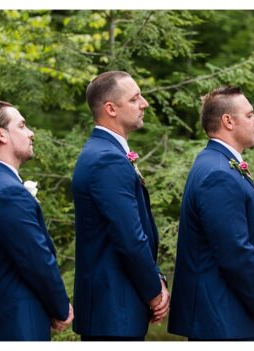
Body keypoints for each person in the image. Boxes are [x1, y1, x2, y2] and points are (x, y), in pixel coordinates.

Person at [168, 87, 254, 341]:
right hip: (220, 317)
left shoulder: (219, 164)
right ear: (228, 121)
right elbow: (234, 250)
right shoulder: (218, 173)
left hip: (226, 313)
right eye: (250, 115)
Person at [0, 101, 73, 340]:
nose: (30, 133)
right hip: (16, 324)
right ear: (0, 134)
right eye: (22, 125)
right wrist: (60, 308)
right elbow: (36, 260)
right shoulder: (6, 192)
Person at [71, 71, 168, 341]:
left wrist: (156, 277)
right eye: (135, 98)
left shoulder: (106, 152)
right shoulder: (106, 159)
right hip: (113, 309)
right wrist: (154, 290)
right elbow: (129, 237)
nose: (145, 103)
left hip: (115, 308)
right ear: (111, 108)